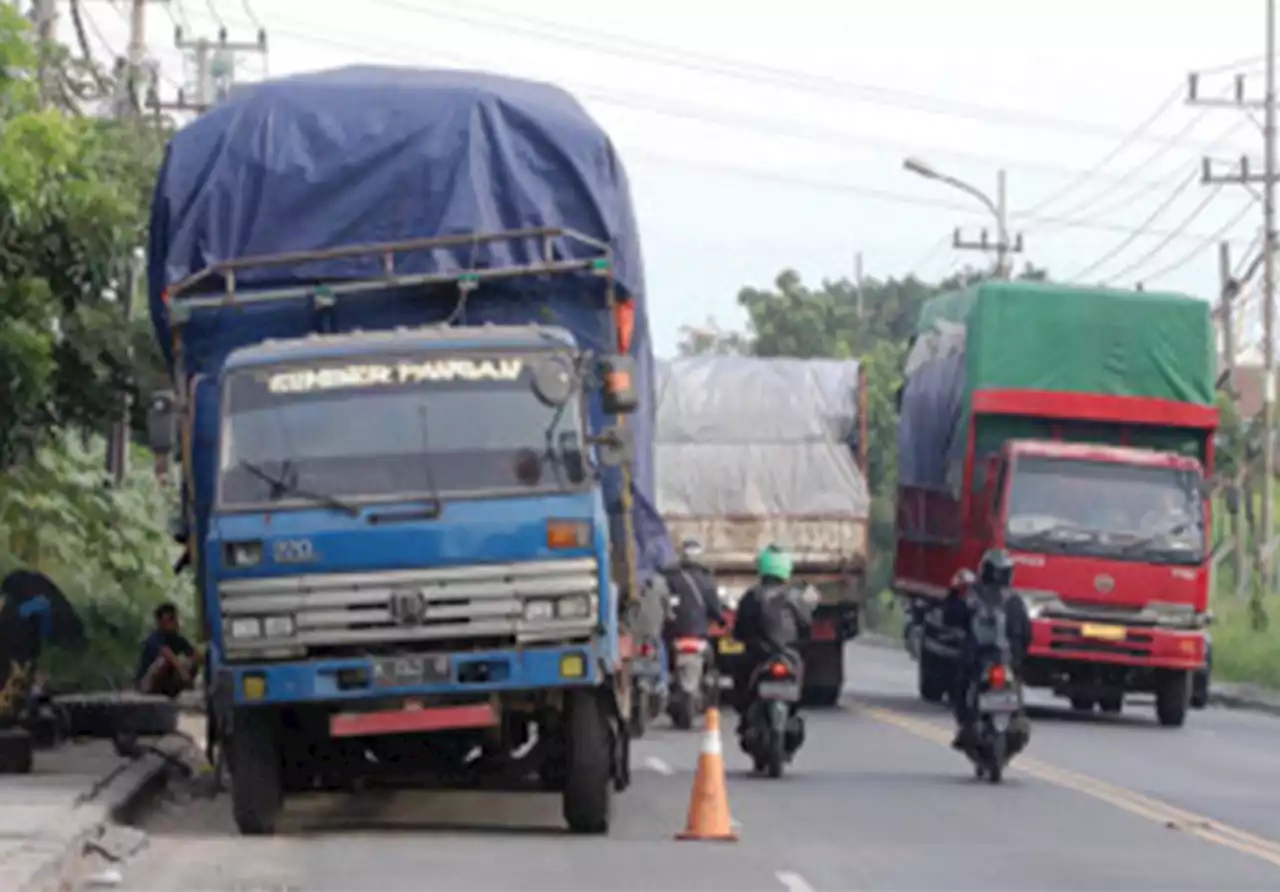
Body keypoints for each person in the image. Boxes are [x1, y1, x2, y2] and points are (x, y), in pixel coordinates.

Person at [948, 549, 1031, 751]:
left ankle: (966, 725)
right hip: (990, 660)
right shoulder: (1012, 600)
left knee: (960, 685)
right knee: (961, 684)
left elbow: (950, 617)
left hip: (991, 660)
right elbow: (1027, 634)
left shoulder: (978, 596)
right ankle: (968, 725)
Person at [730, 545, 813, 731]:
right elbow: (806, 626)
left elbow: (740, 627)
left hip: (759, 655)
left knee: (741, 679)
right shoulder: (796, 597)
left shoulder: (752, 596)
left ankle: (744, 720)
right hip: (787, 655)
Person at [661, 539, 725, 646]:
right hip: (699, 631)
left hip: (675, 630)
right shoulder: (706, 577)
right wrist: (720, 620)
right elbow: (713, 604)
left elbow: (663, 601)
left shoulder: (670, 575)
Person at [136, 602, 201, 699]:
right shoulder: (155, 638)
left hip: (167, 682)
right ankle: (152, 691)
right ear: (160, 622)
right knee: (163, 662)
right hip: (148, 682)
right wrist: (181, 670)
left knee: (190, 663)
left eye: (173, 618)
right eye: (169, 620)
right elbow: (166, 653)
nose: (173, 622)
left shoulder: (177, 638)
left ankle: (174, 690)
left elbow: (195, 654)